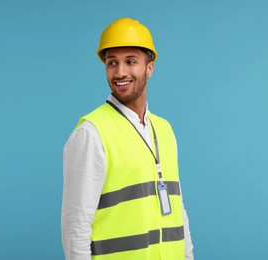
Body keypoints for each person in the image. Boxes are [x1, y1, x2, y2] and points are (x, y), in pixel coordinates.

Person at [61, 18, 194, 259]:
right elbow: (76, 226)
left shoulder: (164, 129)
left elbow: (178, 210)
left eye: (130, 62)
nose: (120, 72)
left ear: (149, 67)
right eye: (112, 63)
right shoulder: (91, 132)